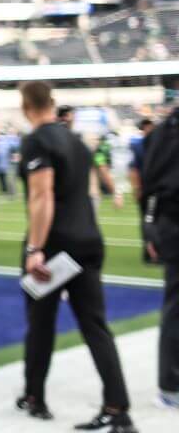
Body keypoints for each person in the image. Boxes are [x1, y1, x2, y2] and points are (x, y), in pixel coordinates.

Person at [16, 81, 136, 431]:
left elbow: (42, 197)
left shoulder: (37, 140)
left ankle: (35, 396)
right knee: (95, 326)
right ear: (52, 103)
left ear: (26, 106)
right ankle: (117, 408)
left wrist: (34, 248)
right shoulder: (77, 141)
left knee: (41, 323)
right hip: (88, 239)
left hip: (55, 245)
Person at [138, 106, 179, 411]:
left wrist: (149, 231)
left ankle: (170, 386)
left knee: (174, 308)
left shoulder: (161, 131)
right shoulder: (164, 132)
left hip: (168, 224)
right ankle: (170, 387)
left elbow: (147, 186)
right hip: (172, 221)